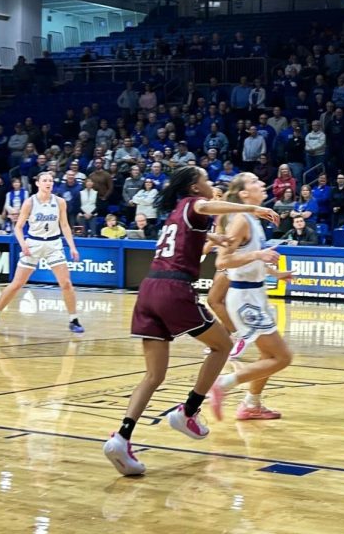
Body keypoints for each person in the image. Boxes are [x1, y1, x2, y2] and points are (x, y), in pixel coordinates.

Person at [102, 165, 279, 477]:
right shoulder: (192, 204)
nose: (211, 184)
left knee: (153, 376)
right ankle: (188, 411)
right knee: (223, 346)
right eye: (206, 180)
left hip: (148, 290)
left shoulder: (176, 215)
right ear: (195, 188)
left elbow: (193, 234)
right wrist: (253, 207)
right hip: (173, 290)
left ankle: (121, 438)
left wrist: (216, 237)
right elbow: (207, 206)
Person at [206, 173, 293, 421]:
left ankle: (251, 404)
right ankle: (222, 384)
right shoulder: (241, 220)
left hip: (254, 292)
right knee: (282, 357)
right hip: (244, 297)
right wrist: (259, 256)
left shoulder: (252, 218)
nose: (262, 184)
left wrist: (276, 273)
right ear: (244, 194)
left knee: (268, 356)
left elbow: (251, 255)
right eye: (255, 182)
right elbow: (223, 260)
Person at [0, 172, 82, 334]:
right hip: (33, 243)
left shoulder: (60, 202)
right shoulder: (29, 202)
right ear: (38, 183)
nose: (48, 183)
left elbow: (64, 225)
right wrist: (23, 245)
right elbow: (18, 227)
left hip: (53, 244)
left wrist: (72, 246)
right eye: (45, 180)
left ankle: (74, 320)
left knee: (66, 283)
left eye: (50, 180)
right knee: (17, 284)